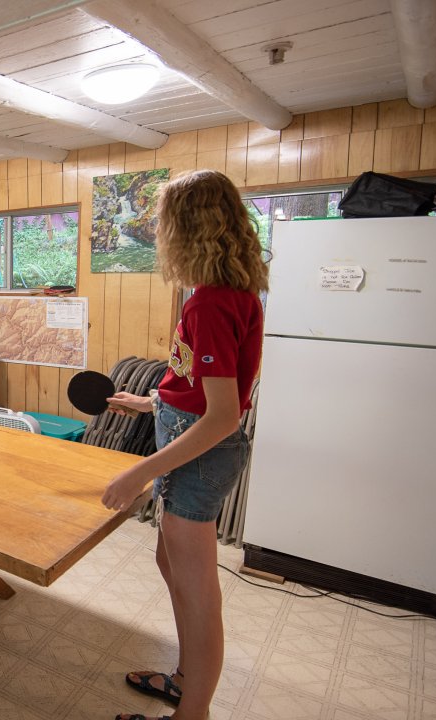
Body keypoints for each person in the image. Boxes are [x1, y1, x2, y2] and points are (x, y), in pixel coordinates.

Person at [100, 170, 267, 720]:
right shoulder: (223, 294)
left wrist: (138, 472)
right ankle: (186, 681)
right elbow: (205, 387)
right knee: (170, 564)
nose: (156, 231)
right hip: (187, 437)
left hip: (200, 457)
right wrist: (154, 403)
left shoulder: (210, 304)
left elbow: (222, 416)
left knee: (199, 596)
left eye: (163, 221)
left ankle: (192, 712)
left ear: (187, 227)